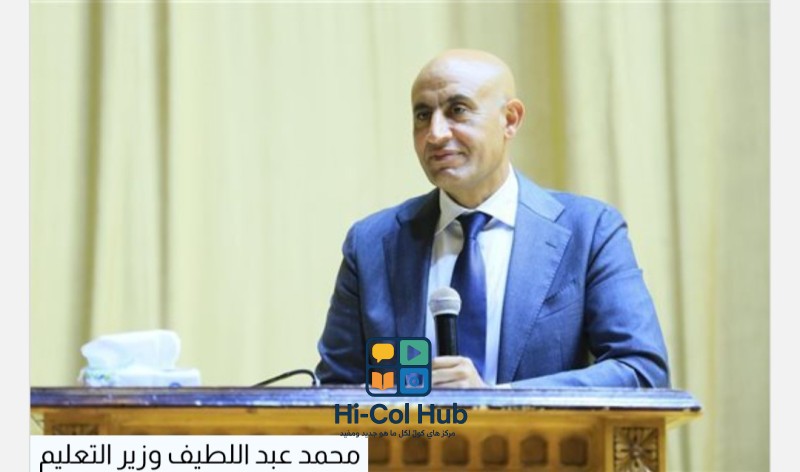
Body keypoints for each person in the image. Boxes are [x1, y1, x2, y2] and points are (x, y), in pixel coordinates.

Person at [315, 49, 669, 388]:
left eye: (457, 110)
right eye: (423, 115)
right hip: (409, 433)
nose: (436, 134)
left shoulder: (589, 231)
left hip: (537, 435)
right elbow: (334, 391)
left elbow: (641, 370)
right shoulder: (371, 244)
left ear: (509, 120)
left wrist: (499, 400)